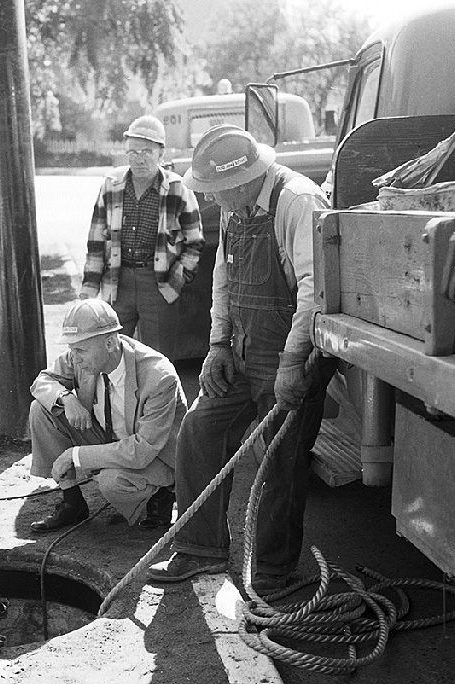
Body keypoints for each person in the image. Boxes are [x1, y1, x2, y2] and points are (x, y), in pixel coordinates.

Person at [148, 125, 338, 592]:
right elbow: (224, 278)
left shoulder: (297, 201)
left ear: (240, 180)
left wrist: (294, 362)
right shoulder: (238, 207)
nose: (211, 202)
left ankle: (274, 573)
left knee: (281, 461)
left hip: (294, 348)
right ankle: (199, 549)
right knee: (199, 430)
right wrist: (217, 344)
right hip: (244, 346)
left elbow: (316, 289)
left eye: (216, 192)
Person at [28, 298, 187, 532]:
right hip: (110, 439)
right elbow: (42, 382)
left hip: (152, 455)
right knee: (42, 409)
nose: (75, 357)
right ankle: (72, 503)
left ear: (111, 343)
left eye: (80, 349)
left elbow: (141, 451)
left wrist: (76, 455)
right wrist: (66, 398)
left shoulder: (158, 376)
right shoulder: (81, 355)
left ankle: (161, 493)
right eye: (71, 349)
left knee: (112, 482)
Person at [80, 114, 204, 359]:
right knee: (112, 357)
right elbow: (95, 244)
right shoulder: (110, 186)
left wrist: (174, 283)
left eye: (146, 151)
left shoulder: (179, 189)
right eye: (133, 152)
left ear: (161, 153)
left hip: (158, 284)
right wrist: (87, 294)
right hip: (117, 282)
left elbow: (194, 244)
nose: (139, 158)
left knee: (158, 362)